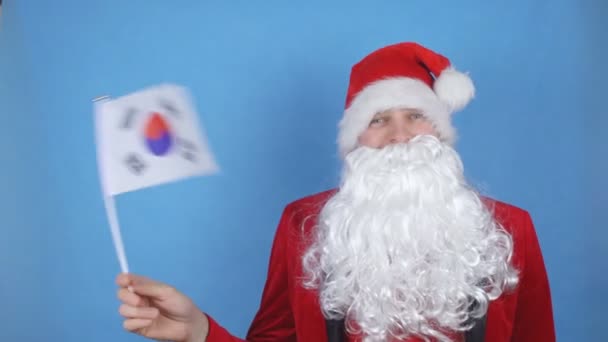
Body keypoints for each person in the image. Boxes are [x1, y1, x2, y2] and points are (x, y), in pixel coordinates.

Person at [116, 42, 555, 342]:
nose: (400, 136)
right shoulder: (302, 223)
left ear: (440, 131)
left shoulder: (510, 227)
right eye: (378, 119)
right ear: (354, 140)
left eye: (416, 116)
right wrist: (198, 331)